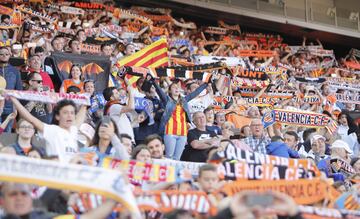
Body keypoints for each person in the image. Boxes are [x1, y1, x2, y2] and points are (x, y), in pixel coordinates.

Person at [9, 96, 87, 163]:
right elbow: (31, 118)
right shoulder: (52, 130)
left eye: (72, 113)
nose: (69, 116)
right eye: (65, 113)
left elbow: (80, 118)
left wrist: (85, 104)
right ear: (57, 116)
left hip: (71, 178)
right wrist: (13, 99)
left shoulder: (73, 130)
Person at [151, 74, 209, 160]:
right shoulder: (167, 100)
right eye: (174, 87)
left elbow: (195, 93)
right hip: (170, 132)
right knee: (169, 157)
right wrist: (153, 81)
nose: (177, 88)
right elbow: (160, 91)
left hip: (183, 133)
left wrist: (206, 84)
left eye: (178, 87)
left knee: (177, 158)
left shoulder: (184, 100)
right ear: (170, 91)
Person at [0, 46, 22, 131]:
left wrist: (15, 108)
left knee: (7, 134)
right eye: (1, 54)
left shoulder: (15, 71)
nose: (4, 56)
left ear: (10, 55)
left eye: (6, 54)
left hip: (10, 107)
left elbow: (18, 90)